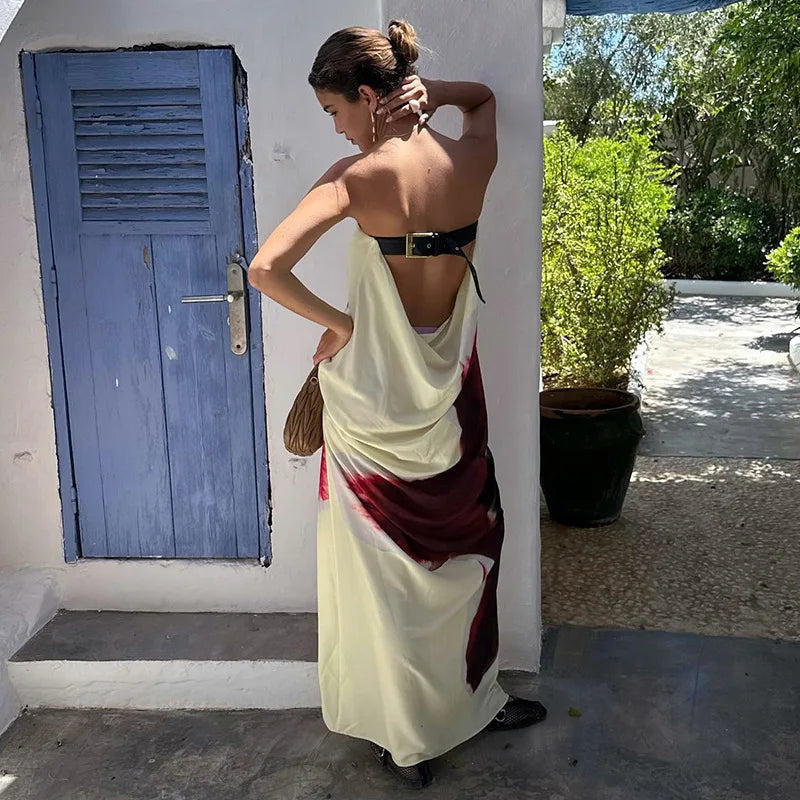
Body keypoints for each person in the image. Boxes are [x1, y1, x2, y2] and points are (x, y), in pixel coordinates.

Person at [248, 19, 546, 790]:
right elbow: (480, 102)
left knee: (384, 575)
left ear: (370, 97)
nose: (337, 126)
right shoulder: (472, 160)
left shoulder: (353, 180)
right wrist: (435, 94)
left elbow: (265, 269)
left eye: (334, 110)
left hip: (373, 404)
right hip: (449, 400)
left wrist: (340, 324)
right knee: (461, 559)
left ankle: (406, 736)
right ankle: (473, 700)